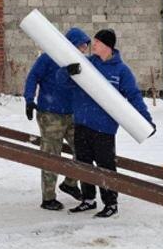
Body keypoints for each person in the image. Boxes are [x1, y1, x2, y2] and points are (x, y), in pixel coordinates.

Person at [57, 29, 155, 218]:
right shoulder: (85, 64)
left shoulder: (121, 71)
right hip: (82, 123)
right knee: (83, 164)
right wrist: (67, 72)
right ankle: (88, 200)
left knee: (105, 166)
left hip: (104, 127)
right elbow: (61, 82)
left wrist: (146, 120)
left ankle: (111, 203)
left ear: (108, 46)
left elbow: (134, 96)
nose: (93, 45)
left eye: (97, 43)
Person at [24, 28, 91, 210]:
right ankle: (48, 198)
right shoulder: (48, 58)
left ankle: (70, 183)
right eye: (82, 44)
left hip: (72, 114)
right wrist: (29, 100)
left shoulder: (81, 62)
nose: (85, 48)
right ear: (72, 43)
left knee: (82, 151)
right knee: (51, 155)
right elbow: (33, 77)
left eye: (86, 45)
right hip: (50, 114)